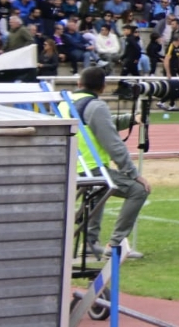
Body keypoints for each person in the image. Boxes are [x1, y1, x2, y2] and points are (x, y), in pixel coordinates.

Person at [73, 67, 150, 260]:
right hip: (91, 168)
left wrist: (131, 119)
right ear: (103, 87)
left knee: (95, 195)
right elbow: (113, 144)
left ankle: (90, 244)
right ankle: (115, 244)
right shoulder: (96, 107)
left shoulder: (67, 103)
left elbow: (100, 123)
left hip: (71, 167)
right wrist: (133, 174)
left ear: (78, 83)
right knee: (138, 190)